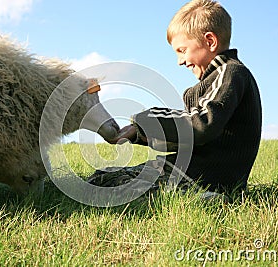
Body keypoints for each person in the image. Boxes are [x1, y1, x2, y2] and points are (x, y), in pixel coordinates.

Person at [93, 0, 262, 197]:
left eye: (182, 50)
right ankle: (197, 197)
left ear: (210, 41)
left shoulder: (230, 72)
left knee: (107, 186)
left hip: (201, 176)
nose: (180, 61)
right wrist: (138, 134)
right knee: (102, 177)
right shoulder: (210, 84)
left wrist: (144, 120)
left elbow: (202, 125)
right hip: (192, 173)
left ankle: (202, 199)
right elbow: (187, 139)